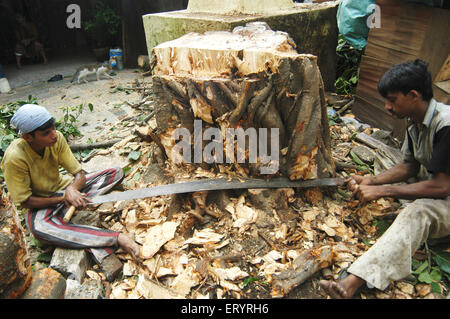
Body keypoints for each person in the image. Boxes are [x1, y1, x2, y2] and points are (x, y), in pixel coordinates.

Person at [320, 59, 450, 298]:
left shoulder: (445, 125)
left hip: (445, 195)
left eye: (392, 100)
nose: (388, 107)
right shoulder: (415, 123)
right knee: (386, 162)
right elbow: (409, 166)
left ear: (413, 95)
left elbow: (442, 186)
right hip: (433, 183)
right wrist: (373, 181)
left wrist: (384, 191)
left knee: (418, 211)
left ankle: (353, 282)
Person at [1, 104, 140, 266]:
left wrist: (72, 189)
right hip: (41, 204)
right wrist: (63, 199)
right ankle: (116, 238)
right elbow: (25, 201)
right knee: (39, 228)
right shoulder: (15, 158)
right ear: (28, 138)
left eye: (53, 128)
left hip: (64, 189)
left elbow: (79, 174)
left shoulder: (57, 138)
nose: (54, 135)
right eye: (46, 133)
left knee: (114, 173)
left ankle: (65, 216)